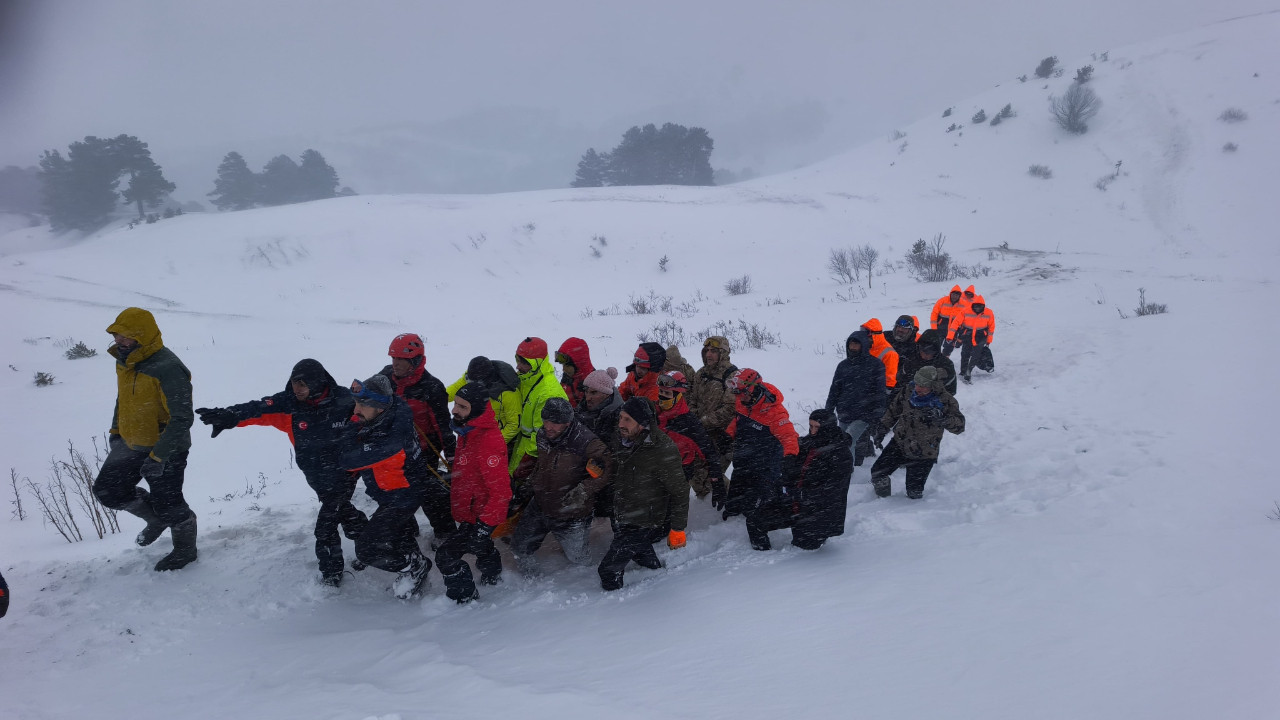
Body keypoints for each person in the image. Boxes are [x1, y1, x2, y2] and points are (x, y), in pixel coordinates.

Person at [196, 359, 367, 586]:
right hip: (316, 476)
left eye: (303, 385)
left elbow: (374, 415)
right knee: (343, 512)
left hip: (345, 474)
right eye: (295, 383)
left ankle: (332, 574)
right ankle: (369, 540)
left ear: (316, 383)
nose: (297, 389)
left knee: (326, 524)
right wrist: (229, 416)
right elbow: (258, 409)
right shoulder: (290, 405)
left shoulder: (344, 401)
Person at [92, 307, 197, 572]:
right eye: (116, 335)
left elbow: (182, 418)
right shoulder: (125, 361)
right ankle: (156, 520)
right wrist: (116, 433)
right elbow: (123, 399)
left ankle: (185, 551)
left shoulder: (169, 368)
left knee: (170, 503)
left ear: (143, 335)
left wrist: (158, 456)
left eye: (126, 337)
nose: (119, 341)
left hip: (166, 447)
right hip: (131, 443)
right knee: (108, 491)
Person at [340, 374, 434, 600]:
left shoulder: (390, 440)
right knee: (396, 531)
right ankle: (406, 548)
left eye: (362, 405)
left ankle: (416, 565)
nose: (355, 411)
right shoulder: (389, 412)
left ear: (380, 408)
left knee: (367, 550)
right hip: (391, 493)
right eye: (356, 404)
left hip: (402, 498)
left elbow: (347, 460)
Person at [511, 397, 611, 575]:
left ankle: (584, 588)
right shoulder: (543, 434)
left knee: (578, 559)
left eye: (555, 423)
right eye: (546, 421)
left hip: (571, 512)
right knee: (520, 547)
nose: (548, 426)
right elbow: (542, 464)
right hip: (540, 504)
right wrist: (529, 485)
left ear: (567, 422)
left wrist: (583, 490)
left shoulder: (586, 442)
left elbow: (609, 469)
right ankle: (532, 583)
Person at [599, 398, 689, 591]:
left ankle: (613, 607)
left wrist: (678, 528)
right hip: (622, 508)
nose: (621, 424)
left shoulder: (662, 449)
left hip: (645, 519)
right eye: (621, 418)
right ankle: (654, 569)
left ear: (643, 424)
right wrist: (602, 466)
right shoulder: (623, 437)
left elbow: (680, 491)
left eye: (627, 420)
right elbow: (619, 461)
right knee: (639, 550)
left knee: (608, 569)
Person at [434, 383, 512, 603]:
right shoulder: (467, 430)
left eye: (462, 406)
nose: (454, 410)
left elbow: (501, 491)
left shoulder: (487, 441)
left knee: (446, 557)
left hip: (481, 513)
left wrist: (485, 526)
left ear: (476, 410)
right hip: (471, 511)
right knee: (480, 545)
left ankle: (464, 598)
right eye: (455, 404)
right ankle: (492, 572)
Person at [379, 333, 456, 544]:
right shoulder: (386, 378)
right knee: (395, 491)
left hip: (424, 451)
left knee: (429, 495)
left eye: (400, 360)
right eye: (393, 358)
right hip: (394, 449)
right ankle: (407, 528)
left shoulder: (431, 387)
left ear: (414, 361)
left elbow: (443, 426)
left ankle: (445, 532)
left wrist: (451, 455)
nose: (394, 364)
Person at [724, 369, 800, 550]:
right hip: (743, 459)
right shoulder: (742, 400)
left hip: (765, 465)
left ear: (753, 389)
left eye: (741, 392)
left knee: (763, 504)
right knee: (736, 494)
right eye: (736, 393)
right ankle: (733, 514)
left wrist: (790, 458)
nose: (738, 397)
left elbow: (790, 437)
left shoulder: (775, 412)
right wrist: (728, 434)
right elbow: (739, 419)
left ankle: (763, 549)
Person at [869, 367, 965, 499]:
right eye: (917, 384)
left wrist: (943, 419)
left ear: (933, 386)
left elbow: (960, 427)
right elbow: (893, 411)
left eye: (923, 386)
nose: (918, 389)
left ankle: (911, 515)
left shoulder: (945, 400)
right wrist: (881, 429)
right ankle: (882, 501)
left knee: (913, 492)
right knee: (877, 473)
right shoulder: (908, 391)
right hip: (900, 443)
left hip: (924, 452)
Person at [786, 409, 854, 550]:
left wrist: (804, 494)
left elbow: (833, 489)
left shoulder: (840, 453)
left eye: (817, 427)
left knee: (806, 548)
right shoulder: (811, 441)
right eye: (811, 426)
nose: (812, 431)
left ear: (827, 427)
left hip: (820, 511)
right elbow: (796, 460)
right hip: (800, 503)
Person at [687, 336, 738, 507]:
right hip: (700, 433)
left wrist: (704, 422)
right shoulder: (701, 373)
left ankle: (732, 504)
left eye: (713, 351)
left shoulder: (731, 375)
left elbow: (730, 409)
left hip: (723, 435)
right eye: (706, 351)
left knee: (711, 474)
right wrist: (694, 421)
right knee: (697, 474)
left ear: (722, 353)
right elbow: (692, 400)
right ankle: (707, 509)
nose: (709, 354)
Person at [656, 371, 723, 502]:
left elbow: (708, 450)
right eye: (661, 392)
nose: (662, 397)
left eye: (667, 394)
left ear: (678, 396)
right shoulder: (654, 412)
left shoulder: (688, 423)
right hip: (656, 468)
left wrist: (717, 480)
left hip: (679, 472)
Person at [824, 329, 887, 466]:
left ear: (863, 345)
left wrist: (878, 413)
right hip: (844, 413)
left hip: (864, 415)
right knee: (842, 443)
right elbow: (834, 390)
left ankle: (848, 473)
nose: (852, 348)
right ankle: (855, 464)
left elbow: (880, 391)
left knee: (847, 442)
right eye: (850, 345)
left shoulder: (876, 365)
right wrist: (828, 411)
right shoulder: (843, 366)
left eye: (856, 345)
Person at [510, 336, 570, 477]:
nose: (518, 366)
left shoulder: (548, 393)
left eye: (523, 362)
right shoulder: (527, 378)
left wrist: (526, 464)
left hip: (533, 455)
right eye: (517, 359)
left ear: (537, 363)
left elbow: (542, 436)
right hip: (521, 445)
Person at [577, 367, 623, 519]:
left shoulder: (620, 417)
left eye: (594, 392)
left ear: (606, 394)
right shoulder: (581, 412)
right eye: (587, 391)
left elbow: (619, 455)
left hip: (609, 476)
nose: (587, 397)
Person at [446, 356, 521, 444]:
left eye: (476, 382)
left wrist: (491, 442)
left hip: (497, 440)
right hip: (473, 434)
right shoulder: (471, 377)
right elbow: (452, 391)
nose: (471, 385)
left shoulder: (508, 393)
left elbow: (514, 425)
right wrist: (437, 396)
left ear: (486, 379)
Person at [897, 329, 958, 397]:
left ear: (936, 351)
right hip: (909, 398)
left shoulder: (946, 365)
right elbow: (900, 381)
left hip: (935, 402)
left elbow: (951, 390)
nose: (925, 355)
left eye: (930, 351)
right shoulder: (911, 359)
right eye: (922, 350)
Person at [954, 295, 996, 384]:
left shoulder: (989, 313)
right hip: (967, 335)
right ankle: (963, 371)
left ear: (983, 306)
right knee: (965, 353)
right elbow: (956, 323)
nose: (977, 308)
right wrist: (951, 336)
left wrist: (989, 340)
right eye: (976, 306)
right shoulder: (965, 311)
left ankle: (968, 371)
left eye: (980, 306)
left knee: (976, 354)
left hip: (981, 336)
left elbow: (991, 327)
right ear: (973, 305)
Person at [860, 318, 900, 395]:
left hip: (875, 394)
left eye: (866, 332)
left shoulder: (890, 354)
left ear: (875, 335)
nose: (863, 336)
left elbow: (889, 383)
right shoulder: (866, 347)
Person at [555, 337, 596, 408]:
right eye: (562, 365)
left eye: (567, 365)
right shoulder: (568, 378)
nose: (563, 369)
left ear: (578, 364)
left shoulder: (593, 385)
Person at [930, 285, 966, 354]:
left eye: (957, 295)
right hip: (940, 328)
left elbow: (965, 319)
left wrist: (961, 332)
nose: (954, 296)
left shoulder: (964, 304)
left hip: (954, 330)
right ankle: (934, 360)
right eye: (953, 294)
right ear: (950, 293)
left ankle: (944, 361)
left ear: (959, 296)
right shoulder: (942, 301)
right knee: (935, 346)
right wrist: (934, 329)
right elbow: (934, 314)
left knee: (949, 348)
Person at [886, 315, 919, 387]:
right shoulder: (884, 337)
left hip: (899, 385)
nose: (900, 330)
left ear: (911, 330)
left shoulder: (915, 348)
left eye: (904, 328)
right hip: (879, 379)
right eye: (898, 326)